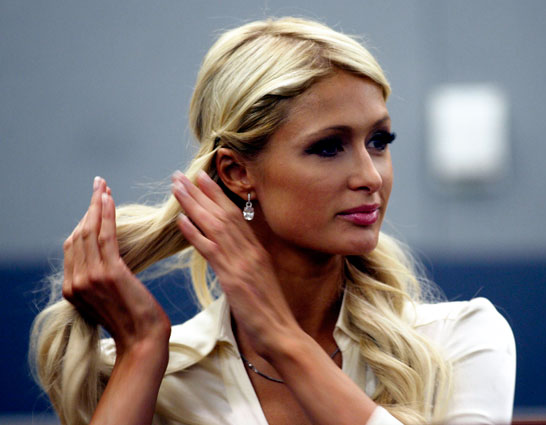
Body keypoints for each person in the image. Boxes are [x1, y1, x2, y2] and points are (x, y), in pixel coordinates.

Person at [30, 17, 515, 425]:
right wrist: (140, 349)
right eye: (329, 147)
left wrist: (282, 338)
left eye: (379, 142)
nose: (371, 176)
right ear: (237, 173)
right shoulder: (163, 372)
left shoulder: (458, 340)